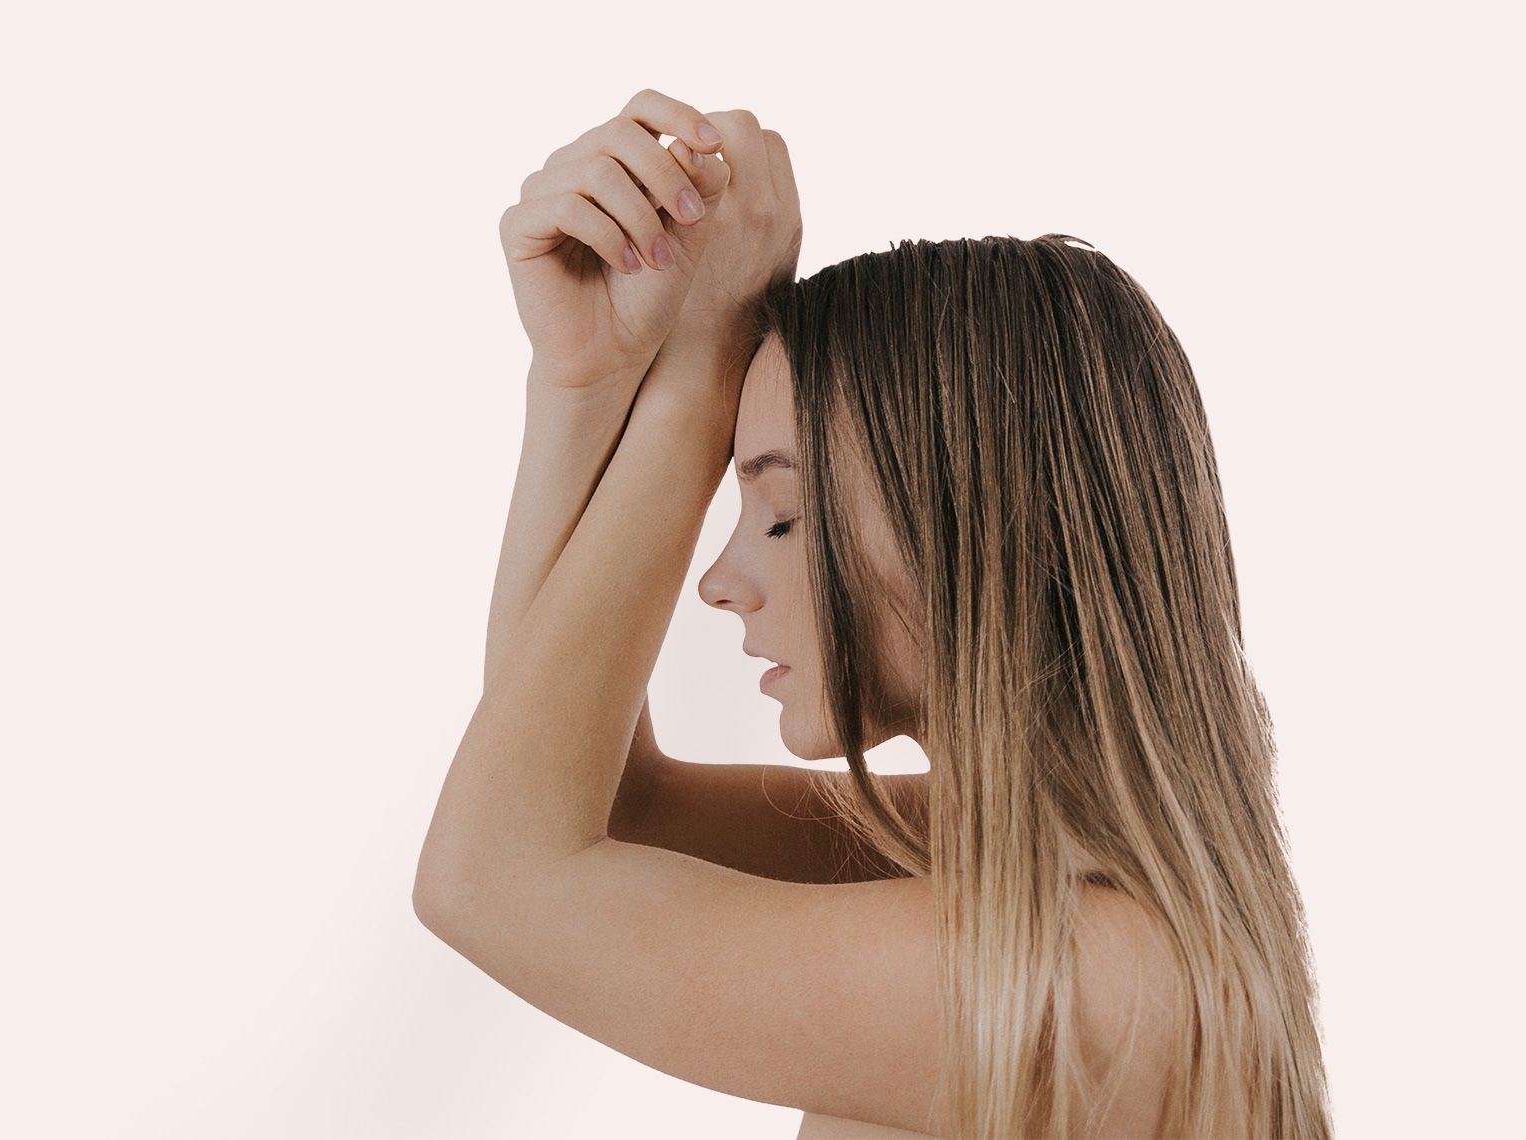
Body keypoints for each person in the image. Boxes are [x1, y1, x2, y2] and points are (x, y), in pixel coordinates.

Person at [412, 90, 1332, 1139]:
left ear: (981, 532)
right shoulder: (1007, 866)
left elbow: (492, 877)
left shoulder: (1097, 982)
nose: (721, 581)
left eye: (783, 514)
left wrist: (704, 365)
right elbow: (591, 797)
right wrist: (582, 383)